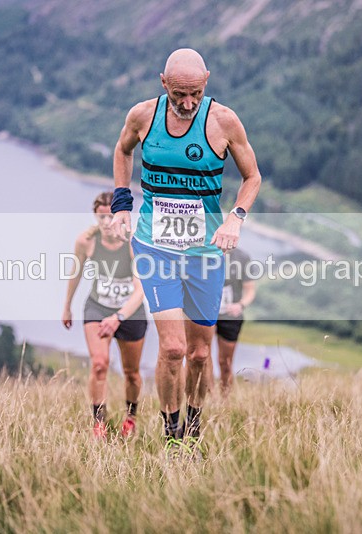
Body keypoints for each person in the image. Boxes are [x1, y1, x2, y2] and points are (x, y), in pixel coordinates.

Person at [109, 48, 262, 454]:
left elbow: (252, 176)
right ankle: (172, 433)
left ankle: (193, 428)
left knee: (198, 353)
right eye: (179, 94)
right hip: (155, 246)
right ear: (164, 83)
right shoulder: (143, 116)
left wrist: (235, 218)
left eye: (195, 92)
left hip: (205, 252)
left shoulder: (224, 121)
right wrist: (122, 205)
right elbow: (122, 151)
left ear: (207, 81)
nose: (188, 102)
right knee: (173, 348)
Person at [62, 191, 148, 440]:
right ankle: (98, 422)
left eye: (111, 216)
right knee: (99, 364)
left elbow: (140, 289)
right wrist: (67, 305)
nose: (107, 222)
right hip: (97, 307)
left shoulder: (133, 243)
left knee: (131, 372)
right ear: (95, 218)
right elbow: (75, 273)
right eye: (102, 217)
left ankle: (130, 418)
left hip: (129, 313)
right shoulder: (86, 241)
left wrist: (118, 317)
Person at [210, 247, 257, 398]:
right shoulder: (203, 252)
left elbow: (250, 290)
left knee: (225, 362)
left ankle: (225, 399)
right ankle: (207, 398)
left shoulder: (242, 257)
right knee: (201, 356)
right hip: (207, 312)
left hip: (230, 316)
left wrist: (240, 305)